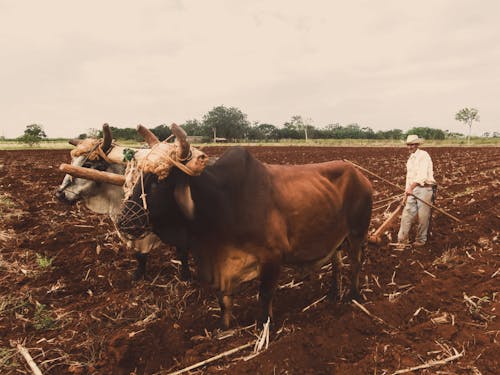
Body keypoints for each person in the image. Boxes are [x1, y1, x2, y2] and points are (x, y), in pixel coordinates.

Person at [397, 134, 436, 247]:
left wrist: (411, 187)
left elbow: (422, 176)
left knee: (423, 216)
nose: (410, 147)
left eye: (412, 145)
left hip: (425, 189)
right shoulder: (411, 158)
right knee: (406, 214)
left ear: (417, 145)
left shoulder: (423, 155)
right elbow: (409, 177)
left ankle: (420, 240)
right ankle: (402, 239)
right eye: (408, 145)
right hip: (412, 189)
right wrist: (406, 193)